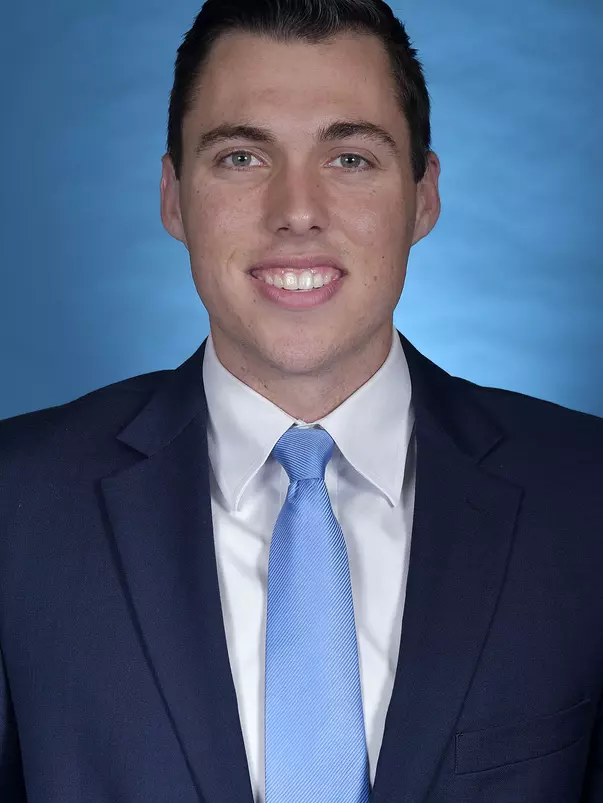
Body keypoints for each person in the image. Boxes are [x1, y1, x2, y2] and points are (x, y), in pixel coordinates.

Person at [0, 0, 602, 800]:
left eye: (349, 158)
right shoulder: (16, 505)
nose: (296, 213)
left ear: (422, 195)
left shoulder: (586, 496)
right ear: (173, 196)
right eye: (242, 158)